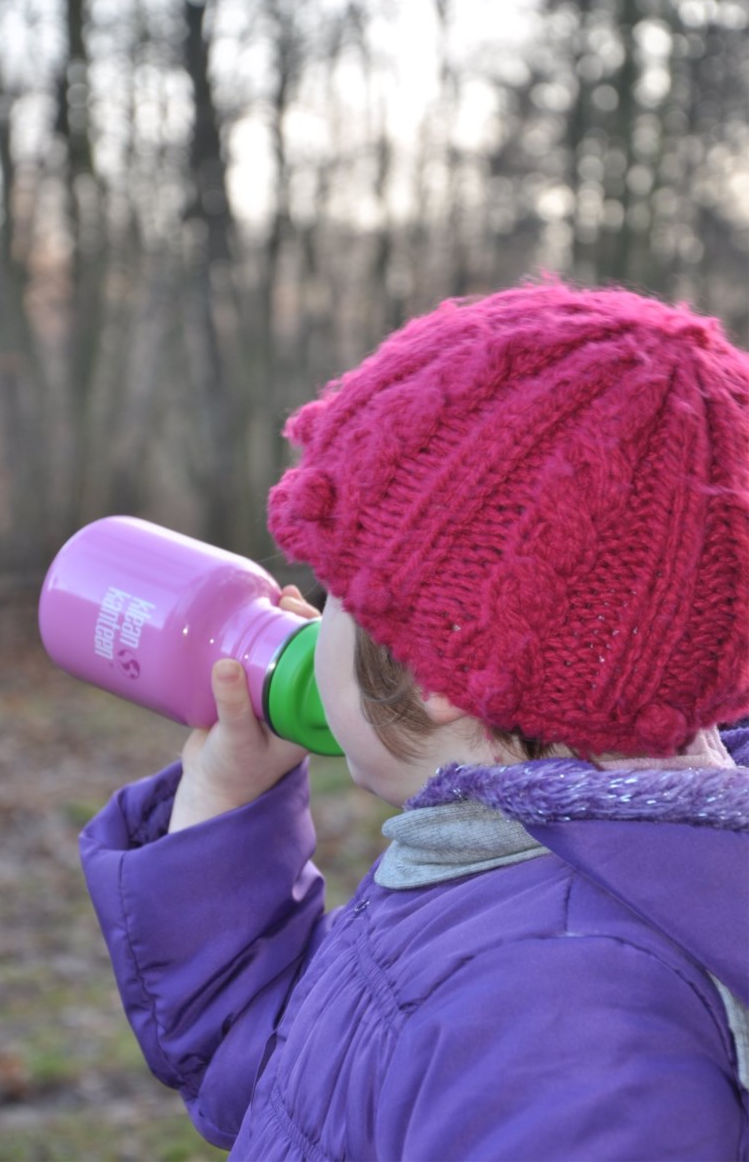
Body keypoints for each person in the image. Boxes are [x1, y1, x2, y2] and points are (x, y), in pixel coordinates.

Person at [80, 280, 749, 1161]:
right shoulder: (503, 859)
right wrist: (226, 820)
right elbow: (301, 1089)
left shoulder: (562, 1011)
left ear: (438, 666)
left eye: (337, 593)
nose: (310, 621)